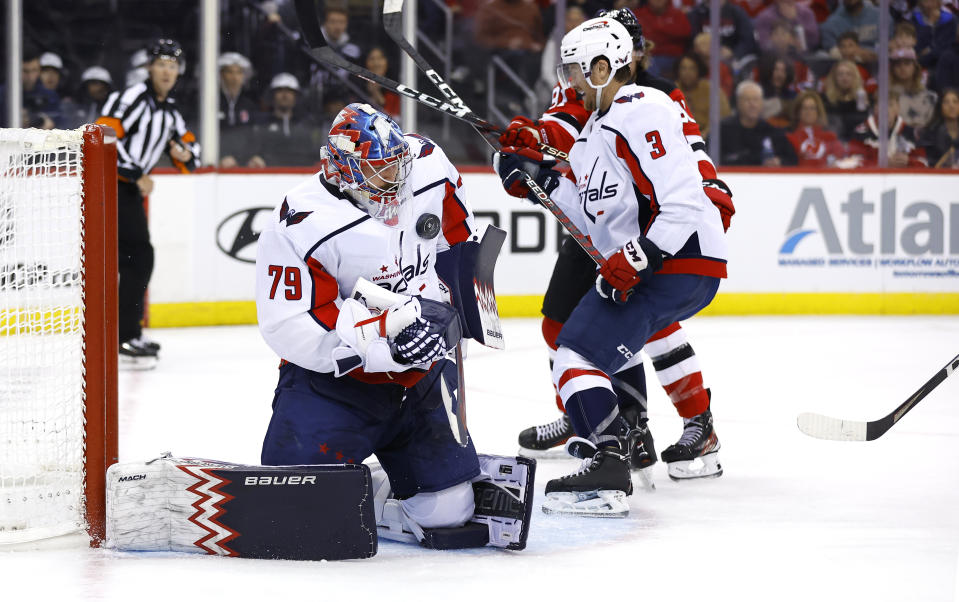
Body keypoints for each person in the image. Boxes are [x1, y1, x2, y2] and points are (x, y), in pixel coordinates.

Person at [254, 102, 531, 549]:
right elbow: (289, 323)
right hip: (337, 381)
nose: (397, 180)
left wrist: (445, 311)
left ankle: (394, 497)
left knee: (450, 515)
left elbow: (458, 240)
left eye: (398, 164)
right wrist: (386, 343)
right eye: (381, 171)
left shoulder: (426, 164)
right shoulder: (300, 221)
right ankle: (370, 484)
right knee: (299, 504)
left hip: (421, 370)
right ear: (342, 170)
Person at [494, 16, 728, 516]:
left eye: (577, 71)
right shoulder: (595, 132)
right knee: (588, 344)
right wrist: (534, 180)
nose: (570, 82)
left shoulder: (645, 106)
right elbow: (592, 220)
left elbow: (684, 198)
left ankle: (607, 466)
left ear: (603, 67)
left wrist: (642, 256)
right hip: (665, 262)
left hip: (678, 259)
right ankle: (625, 441)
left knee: (574, 355)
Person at [96, 39, 200, 366]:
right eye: (162, 64)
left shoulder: (168, 112)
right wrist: (135, 174)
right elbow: (104, 134)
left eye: (173, 65)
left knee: (133, 259)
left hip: (124, 189)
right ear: (149, 68)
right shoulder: (131, 97)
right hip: (108, 184)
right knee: (138, 258)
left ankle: (124, 334)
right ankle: (124, 335)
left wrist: (183, 154)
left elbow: (192, 154)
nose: (168, 71)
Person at [715, 80, 798, 165]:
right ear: (738, 103)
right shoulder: (723, 129)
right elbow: (710, 158)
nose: (752, 104)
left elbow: (792, 160)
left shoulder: (772, 131)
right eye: (747, 100)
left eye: (756, 100)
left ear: (762, 103)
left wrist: (779, 162)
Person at [252, 72, 322, 167]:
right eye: (280, 90)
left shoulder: (306, 124)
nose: (285, 95)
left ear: (296, 96)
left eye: (289, 91)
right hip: (268, 176)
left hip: (303, 176)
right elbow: (253, 152)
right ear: (272, 95)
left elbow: (315, 155)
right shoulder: (261, 124)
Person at [847, 91, 928, 167]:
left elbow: (924, 163)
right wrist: (881, 163)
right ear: (875, 108)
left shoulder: (911, 133)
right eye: (881, 104)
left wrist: (909, 161)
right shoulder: (861, 132)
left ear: (898, 108)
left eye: (890, 105)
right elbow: (853, 162)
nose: (885, 109)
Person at [217, 52, 265, 168]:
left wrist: (256, 156)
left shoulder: (249, 105)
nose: (234, 77)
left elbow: (256, 135)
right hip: (219, 163)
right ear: (221, 75)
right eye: (229, 72)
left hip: (246, 164)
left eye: (239, 72)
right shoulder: (212, 103)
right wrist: (221, 156)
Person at [786, 89, 847, 167]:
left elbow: (841, 158)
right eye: (804, 108)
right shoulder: (789, 138)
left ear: (818, 112)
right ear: (798, 112)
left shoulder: (830, 137)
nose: (809, 112)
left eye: (812, 108)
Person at [821, 59, 870, 140]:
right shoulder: (825, 100)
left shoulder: (862, 98)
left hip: (856, 142)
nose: (844, 78)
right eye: (840, 74)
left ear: (855, 77)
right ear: (834, 78)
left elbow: (864, 126)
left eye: (848, 74)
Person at [921, 88, 959, 167]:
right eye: (946, 102)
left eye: (955, 102)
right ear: (940, 107)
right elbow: (929, 163)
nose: (951, 106)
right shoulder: (930, 133)